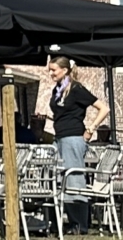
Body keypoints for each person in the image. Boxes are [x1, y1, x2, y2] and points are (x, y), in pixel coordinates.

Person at [33, 56, 97, 209]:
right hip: (59, 137)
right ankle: (61, 218)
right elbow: (64, 114)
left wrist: (90, 129)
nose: (51, 74)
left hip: (73, 137)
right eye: (50, 70)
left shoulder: (76, 89)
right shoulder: (58, 89)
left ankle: (80, 221)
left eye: (53, 70)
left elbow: (103, 108)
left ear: (65, 70)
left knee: (73, 178)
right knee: (57, 177)